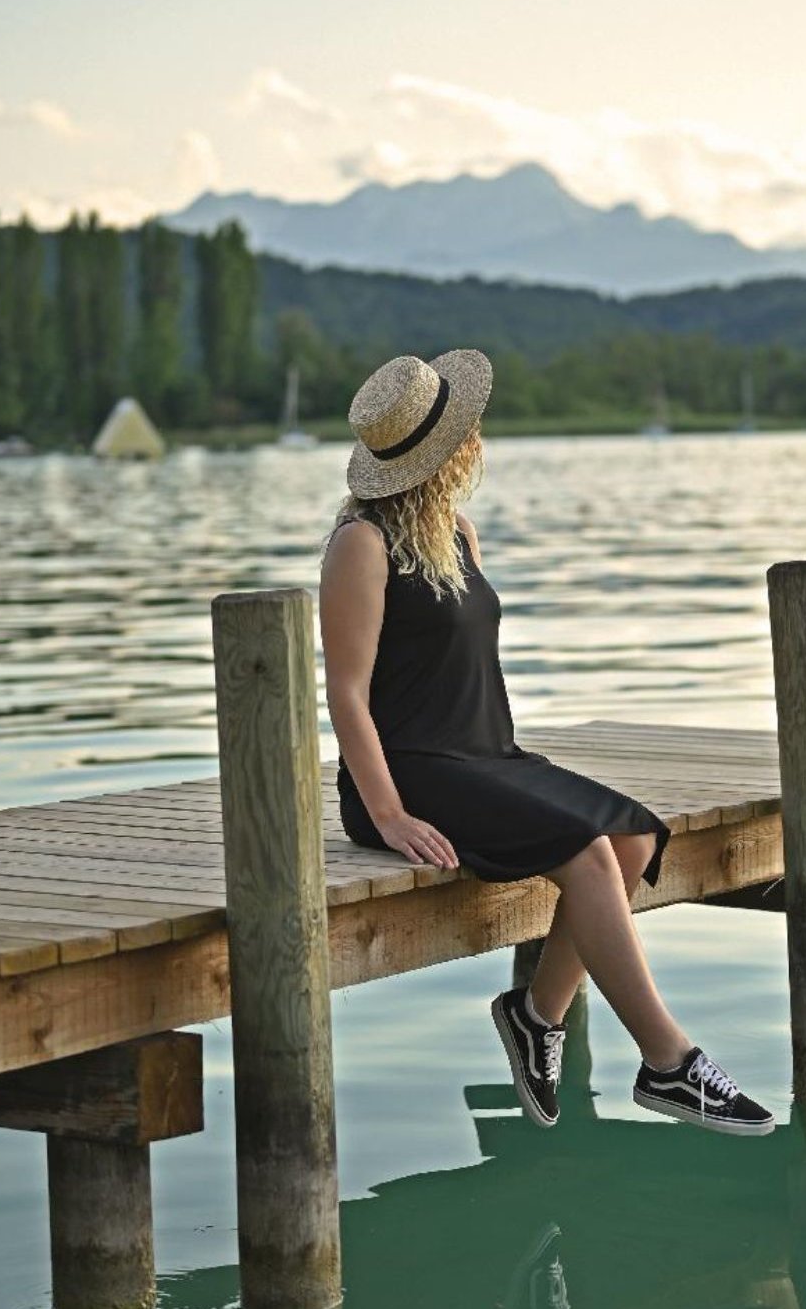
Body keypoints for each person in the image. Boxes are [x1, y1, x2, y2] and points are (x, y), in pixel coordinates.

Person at [318, 348, 774, 1137]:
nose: (478, 440)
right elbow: (347, 695)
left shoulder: (457, 533)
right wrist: (387, 815)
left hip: (486, 754)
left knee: (631, 836)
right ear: (450, 448)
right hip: (411, 776)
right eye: (468, 430)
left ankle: (535, 1016)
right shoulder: (360, 545)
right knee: (589, 855)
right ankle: (669, 1062)